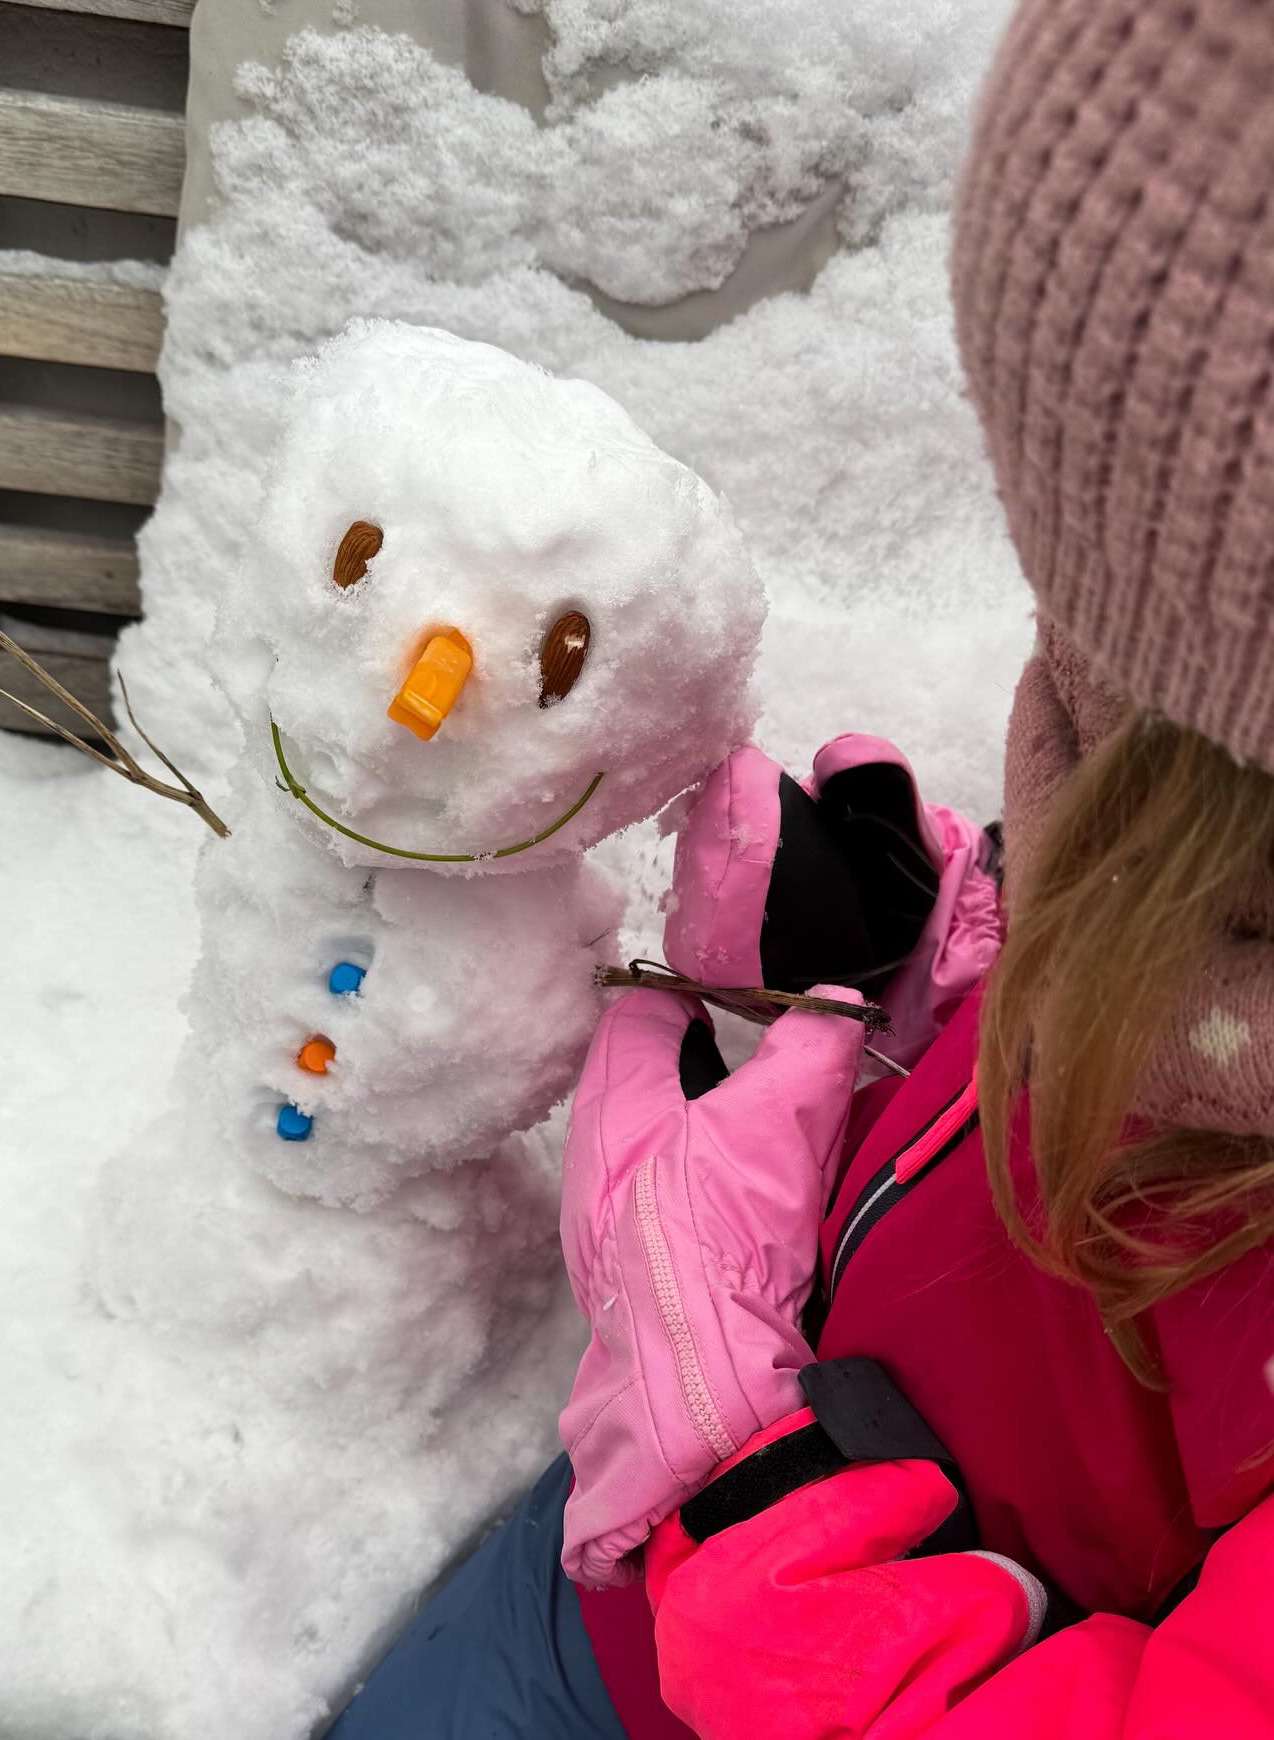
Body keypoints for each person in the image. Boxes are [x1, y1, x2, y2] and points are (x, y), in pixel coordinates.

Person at [327, 0, 1274, 1730]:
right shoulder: (1191, 855)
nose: (1053, 674)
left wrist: (737, 1490)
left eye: (1123, 724)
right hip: (644, 1555)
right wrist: (947, 965)